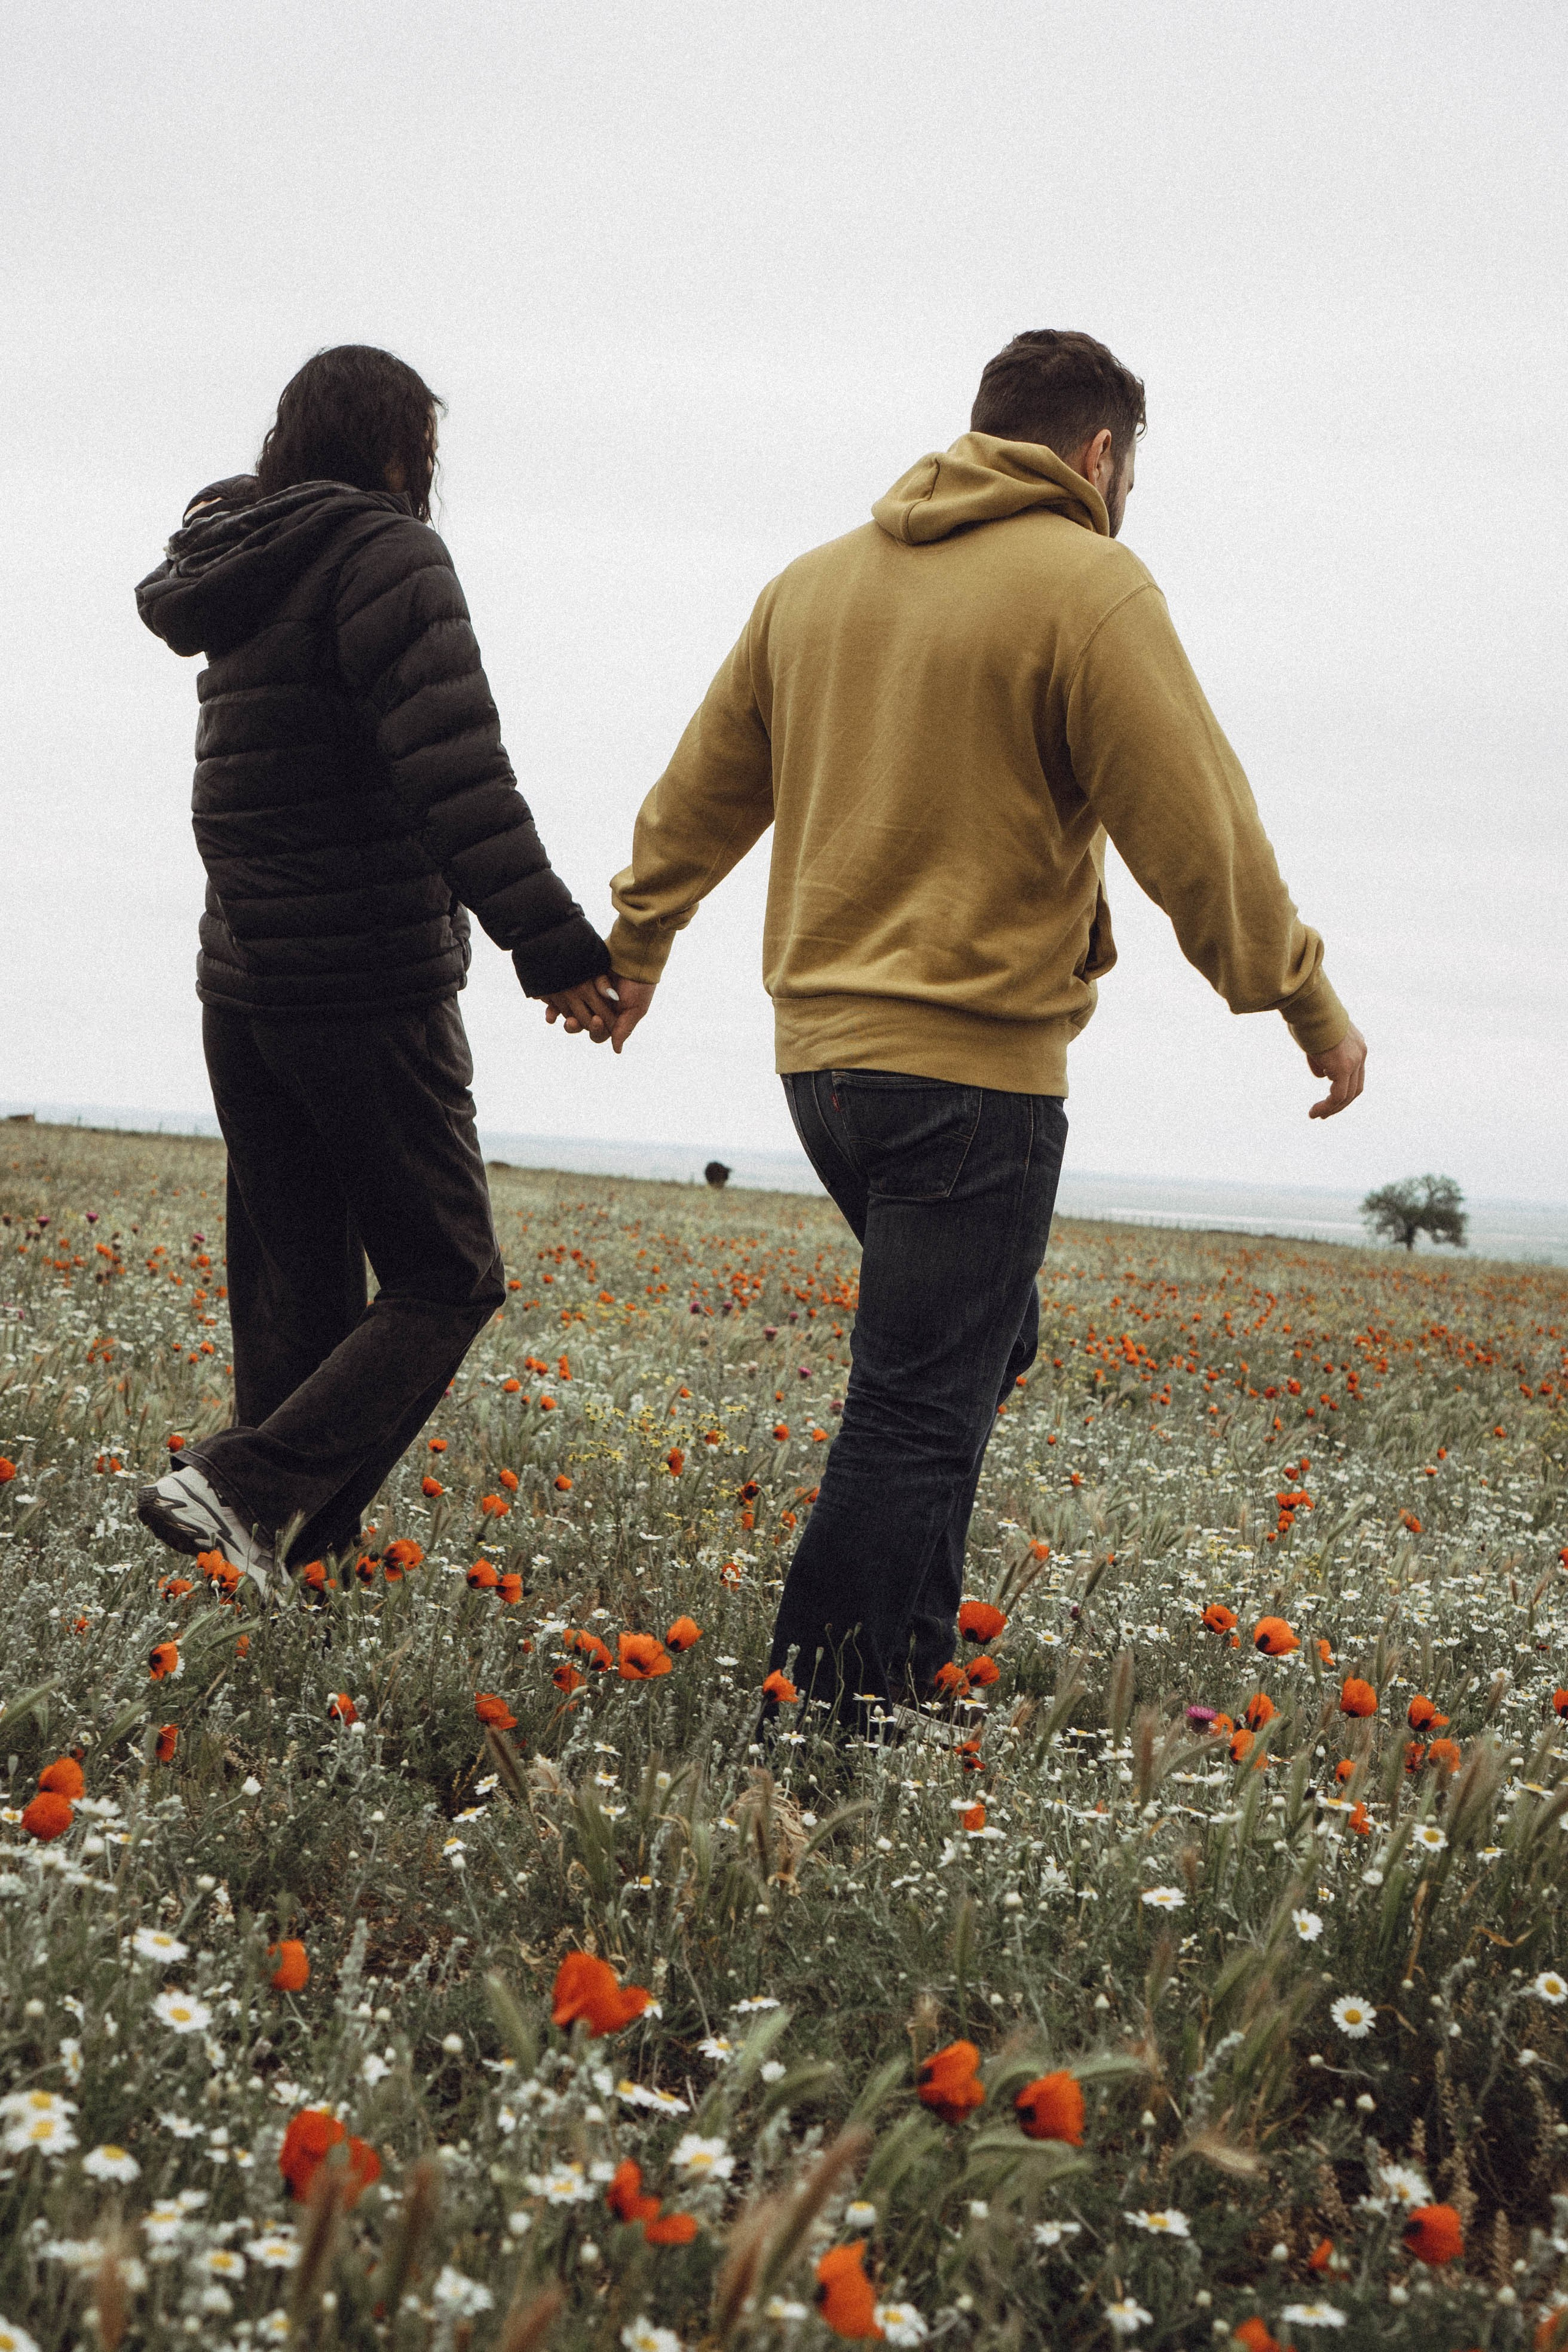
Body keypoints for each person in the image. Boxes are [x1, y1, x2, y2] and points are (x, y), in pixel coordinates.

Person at [593, 328, 1367, 1735]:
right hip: (968, 1074)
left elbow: (697, 791)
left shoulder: (812, 586)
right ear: (1100, 456)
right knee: (911, 1404)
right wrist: (1300, 997)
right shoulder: (1086, 584)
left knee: (973, 1352)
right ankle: (828, 1710)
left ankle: (900, 1660)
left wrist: (637, 943)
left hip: (818, 1069)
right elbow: (1196, 825)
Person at [135, 344, 613, 1585]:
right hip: (361, 988)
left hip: (242, 989)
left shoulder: (239, 569)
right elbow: (453, 772)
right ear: (402, 450)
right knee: (446, 1273)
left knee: (296, 1290)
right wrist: (552, 945)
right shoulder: (386, 556)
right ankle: (244, 1486)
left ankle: (287, 1564)